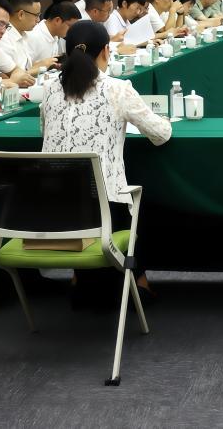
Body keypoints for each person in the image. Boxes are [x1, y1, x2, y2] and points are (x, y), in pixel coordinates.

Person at [39, 20, 172, 296]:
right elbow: (160, 134)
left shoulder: (49, 89)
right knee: (138, 197)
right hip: (104, 211)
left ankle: (80, 279)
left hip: (52, 208)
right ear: (106, 51)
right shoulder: (117, 89)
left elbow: (45, 130)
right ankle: (137, 283)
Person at [2, 0, 56, 74]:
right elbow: (12, 76)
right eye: (36, 15)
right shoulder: (3, 37)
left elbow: (24, 68)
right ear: (21, 14)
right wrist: (41, 67)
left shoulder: (23, 34)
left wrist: (41, 64)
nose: (38, 20)